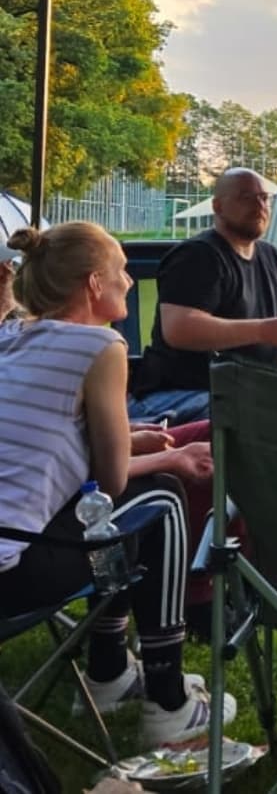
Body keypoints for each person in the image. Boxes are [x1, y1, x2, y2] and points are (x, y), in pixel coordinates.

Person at [0, 224, 233, 746]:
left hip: (11, 544)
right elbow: (111, 477)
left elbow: (46, 440)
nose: (128, 281)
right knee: (162, 497)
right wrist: (175, 456)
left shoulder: (9, 337)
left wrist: (131, 436)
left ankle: (109, 672)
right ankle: (168, 701)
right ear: (92, 284)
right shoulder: (100, 345)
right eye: (121, 270)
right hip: (16, 574)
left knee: (105, 512)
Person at [131, 169, 277, 425]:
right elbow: (179, 329)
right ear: (217, 206)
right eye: (246, 198)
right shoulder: (198, 256)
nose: (259, 206)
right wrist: (263, 331)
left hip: (250, 390)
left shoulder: (271, 257)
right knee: (259, 416)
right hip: (185, 393)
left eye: (264, 198)